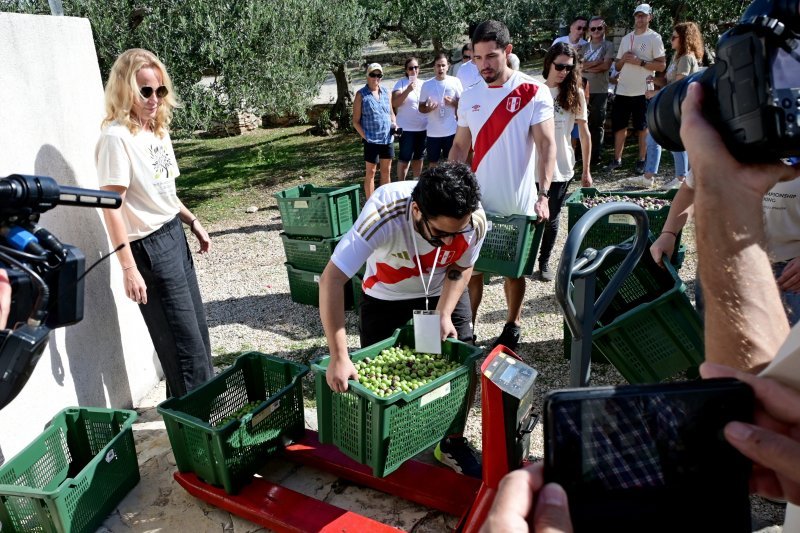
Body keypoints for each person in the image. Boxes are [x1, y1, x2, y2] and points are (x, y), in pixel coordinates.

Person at [319, 161, 486, 477]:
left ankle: (451, 442)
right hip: (385, 296)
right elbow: (332, 279)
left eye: (458, 232)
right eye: (440, 233)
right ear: (416, 211)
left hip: (440, 292)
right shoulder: (384, 213)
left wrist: (444, 312)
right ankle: (390, 443)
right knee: (380, 380)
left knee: (464, 367)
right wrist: (338, 357)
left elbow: (461, 266)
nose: (450, 242)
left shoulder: (474, 220)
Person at [96, 48, 213, 398]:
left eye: (159, 90)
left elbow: (163, 192)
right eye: (145, 90)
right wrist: (128, 268)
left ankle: (199, 414)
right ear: (125, 88)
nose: (154, 99)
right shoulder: (116, 139)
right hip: (148, 248)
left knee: (198, 336)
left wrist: (192, 220)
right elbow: (110, 207)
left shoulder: (157, 131)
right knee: (183, 348)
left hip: (174, 236)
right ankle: (199, 429)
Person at [449, 20, 556, 350]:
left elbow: (547, 145)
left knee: (513, 272)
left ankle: (513, 323)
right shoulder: (469, 97)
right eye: (477, 58)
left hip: (517, 202)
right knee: (473, 270)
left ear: (508, 52)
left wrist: (543, 195)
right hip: (477, 203)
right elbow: (459, 146)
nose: (484, 65)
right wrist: (447, 187)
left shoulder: (532, 91)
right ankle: (469, 328)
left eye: (491, 57)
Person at [535, 43, 592, 282]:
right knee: (530, 215)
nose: (563, 72)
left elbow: (585, 133)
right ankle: (524, 258)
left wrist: (586, 171)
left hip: (561, 167)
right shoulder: (535, 90)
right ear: (549, 63)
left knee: (552, 217)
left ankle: (544, 261)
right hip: (533, 166)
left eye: (569, 68)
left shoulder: (575, 93)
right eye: (559, 66)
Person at [626, 21, 704, 189]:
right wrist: (655, 80)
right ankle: (649, 176)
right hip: (669, 106)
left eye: (674, 37)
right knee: (653, 137)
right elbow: (668, 81)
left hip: (679, 108)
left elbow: (678, 87)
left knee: (674, 141)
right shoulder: (677, 58)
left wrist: (655, 93)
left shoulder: (685, 58)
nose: (671, 40)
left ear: (684, 38)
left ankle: (681, 178)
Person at [607, 3, 666, 174]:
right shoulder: (626, 38)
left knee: (643, 127)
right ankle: (617, 159)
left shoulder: (655, 38)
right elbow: (617, 67)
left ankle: (641, 159)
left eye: (643, 15)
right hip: (623, 89)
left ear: (650, 18)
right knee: (619, 126)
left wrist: (640, 62)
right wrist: (623, 59)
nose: (639, 19)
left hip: (643, 91)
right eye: (637, 15)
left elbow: (661, 66)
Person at [353, 63, 397, 199]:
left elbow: (391, 113)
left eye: (379, 75)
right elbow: (355, 121)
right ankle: (370, 203)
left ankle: (385, 201)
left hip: (387, 138)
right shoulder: (361, 95)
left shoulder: (386, 92)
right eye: (373, 74)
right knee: (371, 172)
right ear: (367, 76)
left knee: (386, 171)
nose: (376, 78)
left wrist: (394, 124)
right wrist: (365, 137)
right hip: (371, 140)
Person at [580, 16, 615, 167]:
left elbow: (605, 66)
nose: (596, 31)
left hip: (600, 90)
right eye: (593, 28)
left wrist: (587, 66)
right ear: (589, 30)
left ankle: (596, 157)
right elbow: (579, 66)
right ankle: (582, 155)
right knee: (583, 123)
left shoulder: (608, 45)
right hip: (583, 89)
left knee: (597, 124)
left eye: (599, 28)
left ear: (604, 29)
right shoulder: (584, 47)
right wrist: (595, 63)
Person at [419, 54, 463, 168]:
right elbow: (421, 107)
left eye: (443, 65)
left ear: (448, 66)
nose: (441, 68)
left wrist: (453, 103)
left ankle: (451, 185)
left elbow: (463, 105)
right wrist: (428, 108)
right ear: (434, 67)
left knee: (452, 162)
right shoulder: (427, 84)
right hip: (433, 132)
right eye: (438, 66)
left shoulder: (455, 82)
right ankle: (434, 185)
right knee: (433, 163)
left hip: (451, 131)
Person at [392, 57, 427, 180]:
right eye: (411, 68)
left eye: (416, 67)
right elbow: (395, 103)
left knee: (419, 157)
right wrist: (407, 90)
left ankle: (416, 183)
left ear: (419, 69)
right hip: (406, 129)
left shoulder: (424, 84)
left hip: (423, 128)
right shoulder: (400, 83)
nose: (414, 70)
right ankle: (401, 185)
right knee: (405, 158)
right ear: (406, 70)